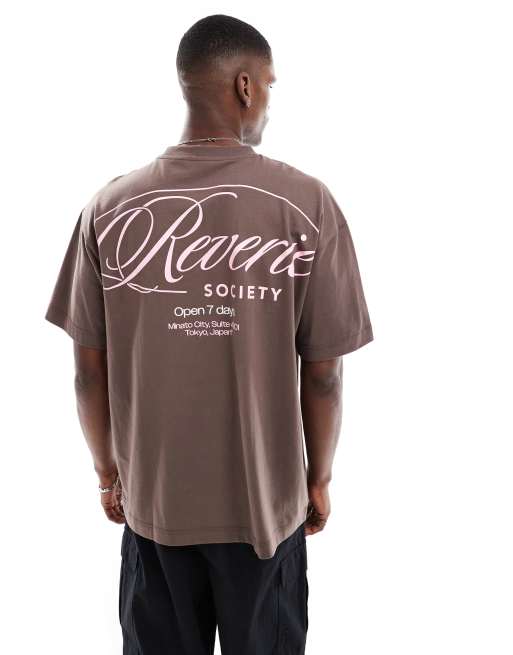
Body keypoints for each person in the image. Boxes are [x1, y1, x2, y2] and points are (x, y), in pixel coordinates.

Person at [44, 13, 374, 655]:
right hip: (266, 514)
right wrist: (319, 478)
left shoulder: (109, 208)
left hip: (155, 509)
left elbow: (88, 371)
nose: (269, 99)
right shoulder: (307, 203)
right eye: (269, 84)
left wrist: (109, 473)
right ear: (245, 86)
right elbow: (325, 375)